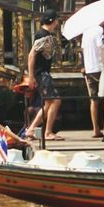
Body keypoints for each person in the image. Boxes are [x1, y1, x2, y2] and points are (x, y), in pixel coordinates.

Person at [25, 11, 63, 140]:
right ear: (53, 20)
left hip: (43, 72)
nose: (58, 22)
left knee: (48, 103)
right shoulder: (42, 36)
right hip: (41, 73)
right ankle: (47, 132)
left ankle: (31, 129)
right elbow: (31, 55)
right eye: (57, 20)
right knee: (56, 100)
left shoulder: (47, 35)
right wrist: (31, 76)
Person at [80, 20, 104, 138]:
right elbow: (101, 48)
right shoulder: (99, 30)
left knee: (93, 100)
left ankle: (96, 129)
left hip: (89, 68)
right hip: (99, 68)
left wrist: (83, 65)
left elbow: (83, 50)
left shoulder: (86, 32)